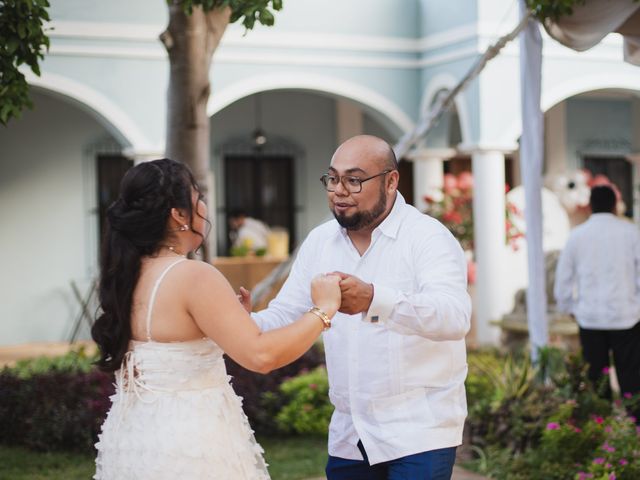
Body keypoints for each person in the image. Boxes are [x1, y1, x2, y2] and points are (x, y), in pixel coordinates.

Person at [91, 158, 342, 480]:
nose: (205, 208)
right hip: (190, 445)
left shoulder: (127, 274)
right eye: (199, 198)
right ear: (178, 214)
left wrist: (233, 320)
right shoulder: (193, 276)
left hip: (134, 441)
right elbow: (261, 355)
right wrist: (323, 309)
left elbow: (174, 338)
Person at [244, 135, 472, 479]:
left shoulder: (428, 237)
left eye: (354, 180)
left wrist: (373, 299)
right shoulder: (320, 241)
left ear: (391, 181)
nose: (339, 190)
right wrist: (241, 320)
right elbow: (287, 313)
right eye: (332, 179)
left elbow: (454, 316)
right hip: (351, 432)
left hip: (420, 429)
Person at [554, 184, 640, 419]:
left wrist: (569, 308)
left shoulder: (577, 235)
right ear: (615, 205)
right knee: (632, 376)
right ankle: (635, 429)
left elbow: (563, 278)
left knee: (597, 378)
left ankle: (600, 425)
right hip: (627, 317)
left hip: (590, 317)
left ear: (590, 206)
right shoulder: (631, 232)